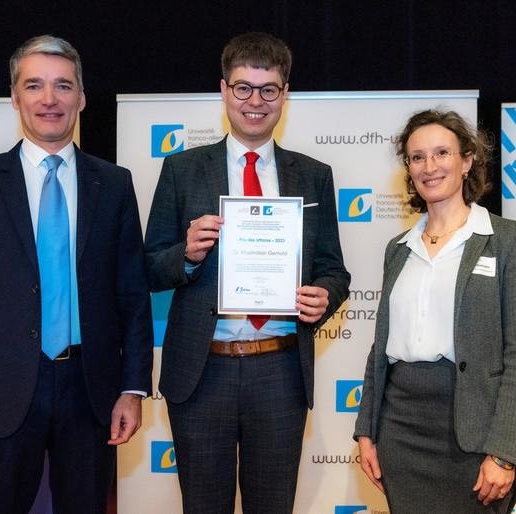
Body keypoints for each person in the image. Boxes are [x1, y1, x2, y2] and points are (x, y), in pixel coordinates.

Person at [0, 35, 153, 513]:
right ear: (15, 97)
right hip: (1, 393)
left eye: (63, 86)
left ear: (81, 97)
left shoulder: (114, 184)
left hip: (91, 391)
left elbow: (133, 295)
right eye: (34, 86)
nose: (49, 99)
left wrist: (132, 389)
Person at [144, 32, 350, 514]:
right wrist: (188, 254)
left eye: (268, 89)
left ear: (284, 96)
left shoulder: (313, 175)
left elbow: (333, 269)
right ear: (223, 90)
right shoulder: (181, 169)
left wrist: (324, 294)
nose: (255, 101)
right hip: (202, 371)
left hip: (279, 369)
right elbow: (150, 266)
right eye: (243, 88)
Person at [353, 109, 516, 513]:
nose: (429, 166)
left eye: (442, 153)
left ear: (467, 159)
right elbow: (380, 348)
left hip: (474, 437)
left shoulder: (509, 240)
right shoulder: (398, 248)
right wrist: (366, 431)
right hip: (400, 434)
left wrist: (505, 452)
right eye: (417, 157)